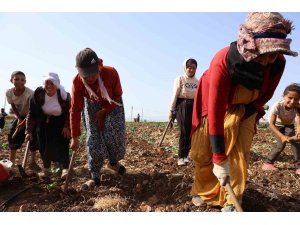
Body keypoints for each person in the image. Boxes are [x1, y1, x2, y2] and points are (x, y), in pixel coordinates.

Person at [189, 12, 298, 212]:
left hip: (248, 107)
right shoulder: (223, 60)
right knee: (205, 150)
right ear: (250, 44)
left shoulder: (278, 63)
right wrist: (219, 157)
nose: (267, 61)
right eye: (263, 55)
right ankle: (203, 191)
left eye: (272, 55)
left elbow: (267, 94)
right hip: (214, 103)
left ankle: (232, 199)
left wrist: (247, 111)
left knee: (240, 150)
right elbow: (215, 109)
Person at [70, 48, 126, 186]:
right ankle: (95, 173)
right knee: (93, 138)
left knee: (114, 133)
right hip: (92, 105)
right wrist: (75, 137)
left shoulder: (111, 73)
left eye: (92, 74)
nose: (89, 78)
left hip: (112, 103)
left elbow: (118, 95)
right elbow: (75, 109)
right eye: (85, 75)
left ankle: (113, 163)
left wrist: (104, 111)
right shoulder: (77, 82)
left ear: (99, 67)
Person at [25, 72, 71, 179]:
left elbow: (70, 112)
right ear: (43, 84)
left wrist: (67, 126)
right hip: (43, 120)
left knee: (63, 143)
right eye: (47, 83)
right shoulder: (37, 95)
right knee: (43, 145)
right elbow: (32, 113)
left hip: (60, 121)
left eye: (52, 83)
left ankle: (65, 168)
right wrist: (29, 131)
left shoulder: (64, 96)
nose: (49, 86)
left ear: (57, 84)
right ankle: (46, 169)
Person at [262, 83, 300, 174]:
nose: (292, 101)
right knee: (280, 145)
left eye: (296, 99)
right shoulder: (277, 106)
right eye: (290, 98)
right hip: (277, 126)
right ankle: (268, 163)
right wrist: (282, 136)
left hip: (289, 126)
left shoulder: (297, 107)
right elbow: (271, 123)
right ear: (284, 96)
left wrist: (298, 132)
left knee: (296, 143)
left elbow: (298, 122)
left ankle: (299, 165)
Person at [5, 71, 39, 170]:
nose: (19, 81)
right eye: (16, 79)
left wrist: (24, 122)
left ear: (25, 82)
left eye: (22, 80)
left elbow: (31, 110)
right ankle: (12, 162)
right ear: (11, 80)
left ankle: (32, 162)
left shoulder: (30, 93)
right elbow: (12, 105)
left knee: (32, 137)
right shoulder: (9, 92)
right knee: (12, 135)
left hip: (31, 116)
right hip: (19, 116)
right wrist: (19, 118)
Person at [169, 58, 198, 166]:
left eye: (194, 68)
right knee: (184, 131)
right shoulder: (180, 79)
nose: (191, 70)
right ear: (185, 68)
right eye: (189, 67)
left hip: (193, 106)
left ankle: (186, 156)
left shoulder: (197, 82)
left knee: (191, 132)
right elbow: (175, 94)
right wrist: (171, 110)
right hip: (182, 105)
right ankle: (180, 157)